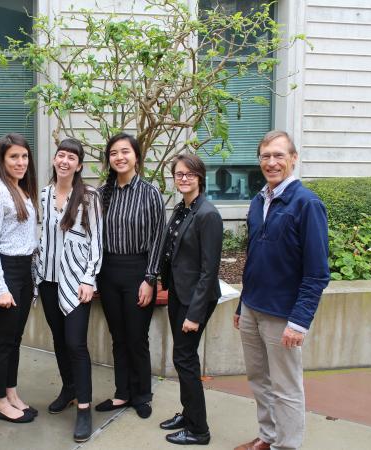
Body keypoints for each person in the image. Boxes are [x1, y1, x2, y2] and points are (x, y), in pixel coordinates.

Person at [233, 131, 330, 450]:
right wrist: (240, 304)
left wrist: (299, 322)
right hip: (252, 308)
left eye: (278, 155)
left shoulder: (307, 204)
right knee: (259, 381)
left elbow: (317, 273)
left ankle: (286, 446)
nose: (271, 162)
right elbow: (254, 257)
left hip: (282, 315)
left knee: (286, 388)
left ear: (293, 158)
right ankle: (268, 437)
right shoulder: (260, 200)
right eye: (265, 156)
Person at [34, 138, 103, 442]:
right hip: (48, 281)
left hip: (76, 282)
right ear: (54, 160)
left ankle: (84, 409)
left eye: (71, 158)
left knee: (76, 344)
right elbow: (40, 237)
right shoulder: (44, 195)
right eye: (60, 155)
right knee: (60, 342)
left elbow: (97, 241)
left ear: (79, 165)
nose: (64, 161)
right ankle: (69, 389)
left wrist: (89, 278)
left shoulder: (89, 196)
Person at [96, 132, 165, 419]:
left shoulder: (150, 192)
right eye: (114, 153)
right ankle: (122, 392)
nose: (120, 157)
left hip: (138, 271)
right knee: (118, 336)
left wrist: (150, 279)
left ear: (136, 156)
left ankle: (142, 394)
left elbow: (158, 239)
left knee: (137, 337)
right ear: (109, 159)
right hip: (108, 272)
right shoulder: (101, 194)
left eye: (125, 152)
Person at [157, 154, 223, 446]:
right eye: (179, 174)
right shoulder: (182, 208)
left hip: (195, 299)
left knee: (185, 359)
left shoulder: (208, 214)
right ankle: (188, 413)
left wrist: (194, 315)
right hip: (178, 293)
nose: (183, 179)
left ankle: (199, 430)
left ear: (200, 177)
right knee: (182, 358)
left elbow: (210, 271)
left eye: (190, 174)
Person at [0, 133, 39, 424]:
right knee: (2, 342)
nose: (20, 162)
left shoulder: (22, 191)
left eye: (24, 156)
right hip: (6, 272)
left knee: (14, 340)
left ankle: (11, 392)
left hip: (24, 272)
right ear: (2, 161)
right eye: (13, 157)